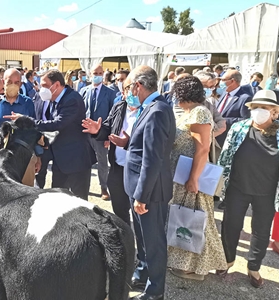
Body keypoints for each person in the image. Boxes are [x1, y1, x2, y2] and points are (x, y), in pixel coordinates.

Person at [217, 89, 279, 288]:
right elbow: (225, 156)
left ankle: (254, 266)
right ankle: (228, 260)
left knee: (261, 231)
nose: (259, 111)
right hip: (237, 187)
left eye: (264, 108)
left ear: (275, 111)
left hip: (268, 191)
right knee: (230, 226)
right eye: (256, 107)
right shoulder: (239, 128)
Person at [166, 76, 227, 281]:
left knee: (193, 220)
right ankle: (184, 264)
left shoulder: (200, 112)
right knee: (183, 218)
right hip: (182, 176)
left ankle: (195, 268)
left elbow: (202, 150)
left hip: (191, 177)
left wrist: (194, 178)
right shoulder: (189, 112)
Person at [123, 66, 176, 300]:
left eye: (130, 85)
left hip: (150, 191)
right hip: (139, 187)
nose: (128, 90)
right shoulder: (150, 107)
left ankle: (155, 292)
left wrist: (142, 196)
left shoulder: (157, 111)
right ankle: (143, 273)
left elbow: (152, 158)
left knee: (153, 241)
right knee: (143, 238)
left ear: (139, 85)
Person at [6, 70, 94, 200]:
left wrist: (26, 120)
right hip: (60, 160)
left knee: (80, 202)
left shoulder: (72, 99)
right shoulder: (55, 98)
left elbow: (57, 124)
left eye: (45, 85)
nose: (42, 89)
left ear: (56, 85)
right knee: (58, 200)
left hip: (76, 160)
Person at [82, 80, 139, 224]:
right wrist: (98, 130)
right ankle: (126, 239)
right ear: (123, 92)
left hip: (137, 171)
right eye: (129, 89)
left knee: (139, 213)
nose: (133, 93)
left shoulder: (148, 111)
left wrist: (128, 144)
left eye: (135, 89)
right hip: (117, 168)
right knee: (120, 211)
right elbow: (108, 126)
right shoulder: (119, 107)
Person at [80, 65, 116, 200]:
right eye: (95, 73)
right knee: (84, 161)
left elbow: (113, 117)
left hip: (101, 135)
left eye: (100, 73)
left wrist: (108, 136)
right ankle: (84, 187)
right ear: (90, 74)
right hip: (84, 133)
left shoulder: (110, 93)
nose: (98, 75)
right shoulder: (84, 91)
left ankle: (103, 188)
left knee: (102, 162)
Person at [215, 69, 252, 147]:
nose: (220, 83)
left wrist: (223, 120)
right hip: (216, 136)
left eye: (223, 80)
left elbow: (245, 121)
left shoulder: (245, 98)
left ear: (232, 81)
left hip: (228, 139)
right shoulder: (225, 93)